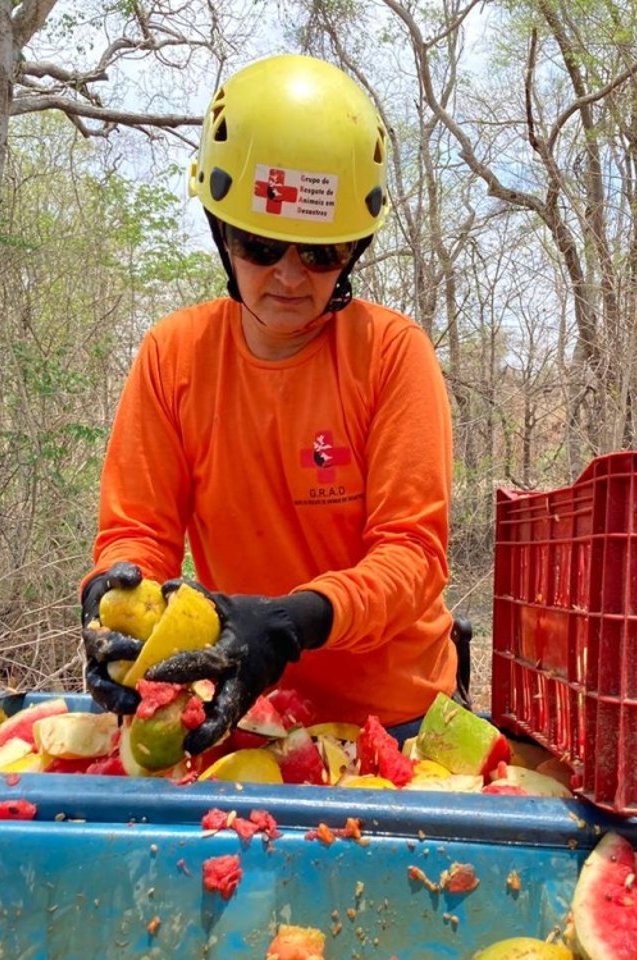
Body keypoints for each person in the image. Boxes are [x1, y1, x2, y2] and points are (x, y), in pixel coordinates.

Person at [78, 54, 459, 757]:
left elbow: (412, 557)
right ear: (223, 234)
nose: (288, 276)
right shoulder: (175, 356)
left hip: (396, 719)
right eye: (261, 247)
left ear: (354, 250)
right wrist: (115, 598)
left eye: (321, 254)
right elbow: (139, 533)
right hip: (247, 705)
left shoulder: (392, 355)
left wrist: (294, 621)